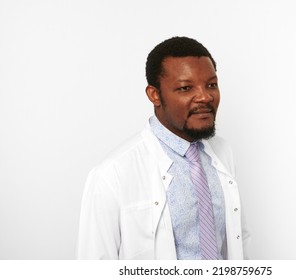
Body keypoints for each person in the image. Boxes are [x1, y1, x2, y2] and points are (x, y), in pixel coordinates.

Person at [77, 36, 250, 260]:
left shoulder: (223, 152)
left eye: (211, 85)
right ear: (154, 95)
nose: (205, 97)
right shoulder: (112, 175)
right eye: (186, 88)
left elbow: (238, 239)